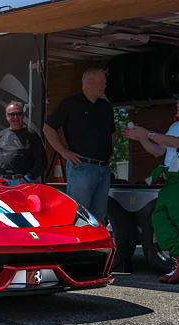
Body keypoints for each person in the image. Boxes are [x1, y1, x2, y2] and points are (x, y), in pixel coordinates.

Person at [122, 88, 179, 284]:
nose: (178, 105)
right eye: (178, 102)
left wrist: (149, 133)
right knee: (159, 217)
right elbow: (157, 151)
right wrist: (143, 138)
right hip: (173, 181)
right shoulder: (175, 126)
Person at [43, 68, 115, 224]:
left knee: (99, 216)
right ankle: (76, 247)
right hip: (82, 166)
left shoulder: (106, 106)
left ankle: (95, 248)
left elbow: (112, 133)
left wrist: (110, 152)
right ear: (89, 83)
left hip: (104, 167)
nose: (104, 86)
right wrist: (63, 152)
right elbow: (48, 128)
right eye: (102, 82)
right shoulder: (70, 104)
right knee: (79, 214)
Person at [0, 101, 47, 185]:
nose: (15, 117)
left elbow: (42, 161)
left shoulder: (31, 135)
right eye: (12, 114)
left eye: (19, 113)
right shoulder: (1, 134)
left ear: (23, 115)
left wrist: (27, 178)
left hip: (22, 182)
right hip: (2, 181)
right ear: (7, 116)